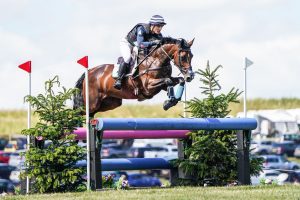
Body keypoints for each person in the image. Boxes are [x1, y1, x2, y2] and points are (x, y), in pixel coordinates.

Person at [114, 15, 166, 90]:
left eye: (161, 26)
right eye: (158, 26)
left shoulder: (158, 35)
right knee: (127, 57)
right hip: (127, 43)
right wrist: (154, 42)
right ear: (152, 25)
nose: (160, 29)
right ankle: (119, 80)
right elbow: (141, 44)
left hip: (137, 46)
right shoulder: (142, 29)